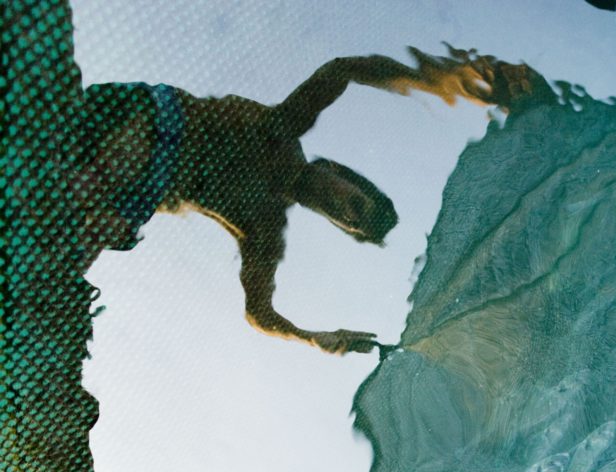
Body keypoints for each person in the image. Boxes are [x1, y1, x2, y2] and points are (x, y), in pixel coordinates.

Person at [73, 47, 546, 354]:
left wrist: (315, 338)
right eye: (355, 204)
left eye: (348, 222)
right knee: (105, 193)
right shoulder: (283, 130)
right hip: (140, 120)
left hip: (127, 199)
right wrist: (439, 80)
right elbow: (342, 71)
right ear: (339, 172)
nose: (342, 210)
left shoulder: (262, 227)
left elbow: (259, 312)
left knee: (84, 247)